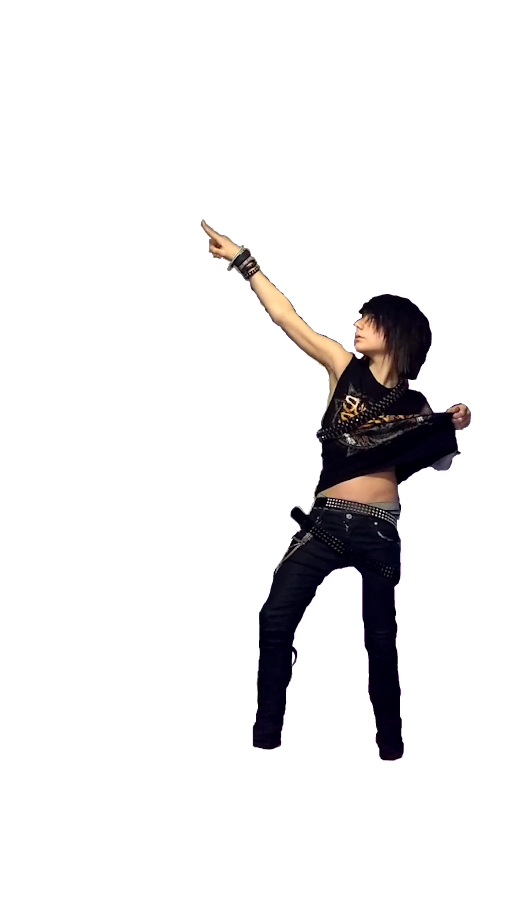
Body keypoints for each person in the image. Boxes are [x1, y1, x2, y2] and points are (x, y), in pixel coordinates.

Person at [201, 219, 470, 759]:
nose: (356, 323)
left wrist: (456, 424)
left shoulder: (418, 407)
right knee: (274, 619)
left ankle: (391, 745)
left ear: (395, 330)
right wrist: (242, 260)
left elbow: (439, 465)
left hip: (380, 532)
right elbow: (286, 317)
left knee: (381, 642)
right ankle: (266, 735)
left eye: (368, 319)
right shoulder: (342, 367)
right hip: (324, 524)